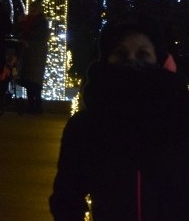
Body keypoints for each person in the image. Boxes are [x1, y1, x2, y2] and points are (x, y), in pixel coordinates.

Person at [50, 17, 189, 220]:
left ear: (159, 61)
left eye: (143, 54)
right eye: (121, 54)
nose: (132, 61)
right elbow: (67, 198)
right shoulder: (86, 126)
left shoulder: (181, 120)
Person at [16, 0, 50, 115]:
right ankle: (32, 105)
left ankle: (37, 105)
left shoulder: (41, 22)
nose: (32, 11)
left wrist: (27, 41)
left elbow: (40, 36)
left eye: (34, 9)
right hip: (28, 53)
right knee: (29, 81)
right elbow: (20, 33)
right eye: (31, 8)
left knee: (34, 81)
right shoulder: (28, 20)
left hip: (36, 53)